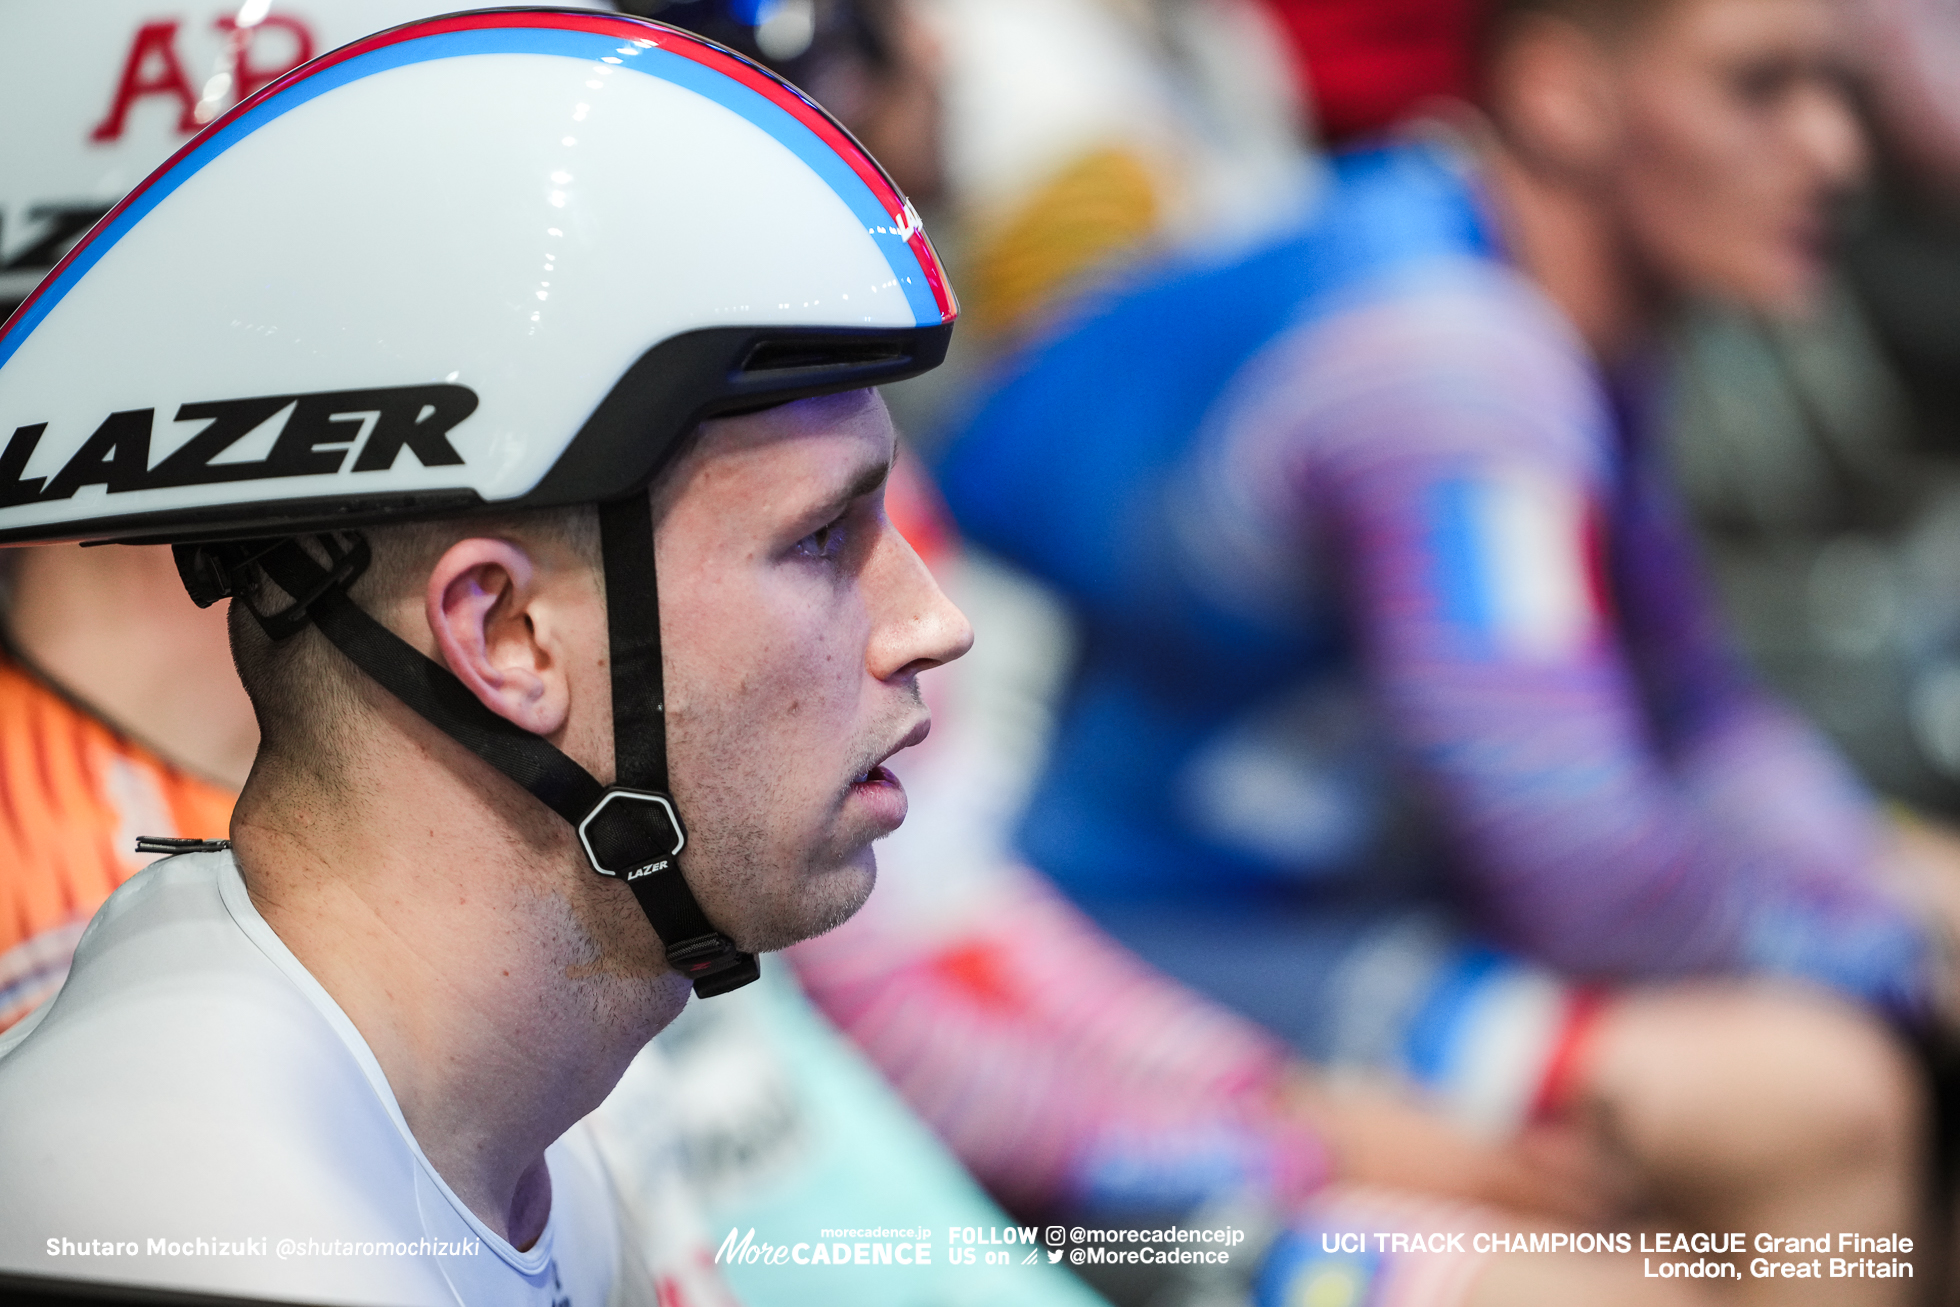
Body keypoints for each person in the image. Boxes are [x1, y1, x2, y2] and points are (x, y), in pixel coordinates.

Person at [935, 0, 1934, 1298]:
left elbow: (1699, 715)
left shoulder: (1538, 282)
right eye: (1761, 87)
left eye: (1841, 92)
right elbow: (1586, 869)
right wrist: (1883, 955)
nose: (1835, 150)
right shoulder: (1455, 359)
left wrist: (1895, 889)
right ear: (1565, 96)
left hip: (1272, 896)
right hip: (1097, 938)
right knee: (1817, 1102)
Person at [0, 9, 970, 1304]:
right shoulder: (213, 1219)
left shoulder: (545, 1119)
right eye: (821, 538)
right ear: (506, 638)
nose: (933, 623)